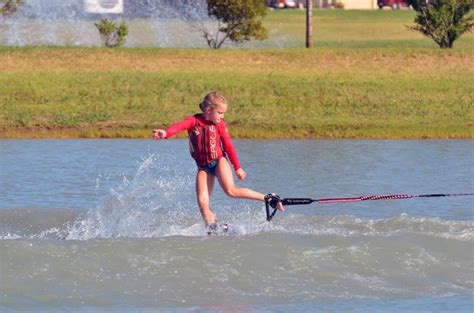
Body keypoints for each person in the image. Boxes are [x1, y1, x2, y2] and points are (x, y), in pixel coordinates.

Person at [153, 92, 284, 234]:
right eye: (220, 113)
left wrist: (237, 167)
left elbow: (228, 147)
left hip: (219, 162)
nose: (222, 116)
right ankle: (213, 228)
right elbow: (179, 126)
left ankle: (269, 198)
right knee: (203, 203)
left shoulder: (220, 125)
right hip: (203, 167)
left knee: (231, 191)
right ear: (208, 110)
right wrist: (166, 133)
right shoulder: (194, 121)